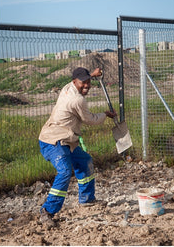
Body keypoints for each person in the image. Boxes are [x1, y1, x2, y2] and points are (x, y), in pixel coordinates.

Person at [37, 67, 116, 227]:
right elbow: (90, 119)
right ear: (75, 82)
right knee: (65, 171)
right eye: (83, 83)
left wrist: (91, 75)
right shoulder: (77, 100)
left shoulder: (68, 87)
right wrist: (105, 115)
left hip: (67, 140)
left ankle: (87, 199)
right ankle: (47, 211)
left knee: (85, 161)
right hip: (53, 141)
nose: (86, 85)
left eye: (88, 82)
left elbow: (81, 81)